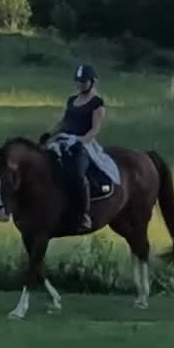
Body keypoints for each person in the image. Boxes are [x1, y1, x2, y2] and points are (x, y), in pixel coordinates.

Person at [48, 63, 106, 231]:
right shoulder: (72, 100)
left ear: (92, 82)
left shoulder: (97, 104)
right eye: (78, 82)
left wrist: (80, 141)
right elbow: (63, 122)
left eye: (84, 82)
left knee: (78, 174)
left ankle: (84, 214)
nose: (80, 85)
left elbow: (95, 129)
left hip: (83, 143)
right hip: (63, 140)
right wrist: (49, 133)